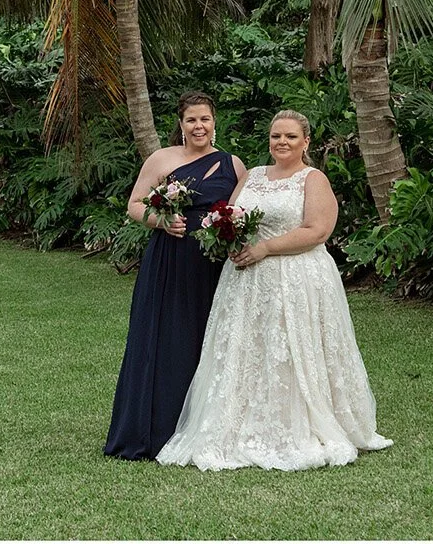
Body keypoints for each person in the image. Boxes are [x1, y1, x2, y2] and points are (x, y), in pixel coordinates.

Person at [157, 110, 392, 471]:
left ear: (306, 142)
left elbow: (317, 231)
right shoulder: (252, 175)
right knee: (250, 348)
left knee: (292, 346)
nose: (282, 142)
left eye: (291, 137)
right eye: (275, 136)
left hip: (297, 277)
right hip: (247, 280)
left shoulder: (313, 179)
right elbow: (229, 213)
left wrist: (266, 248)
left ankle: (299, 424)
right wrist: (228, 238)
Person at [103, 92, 246, 460]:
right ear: (181, 124)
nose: (199, 126)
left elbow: (242, 212)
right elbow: (134, 204)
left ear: (215, 122)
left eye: (205, 119)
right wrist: (161, 220)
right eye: (191, 120)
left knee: (209, 340)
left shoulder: (233, 165)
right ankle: (155, 429)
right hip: (169, 261)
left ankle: (206, 427)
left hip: (214, 266)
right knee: (167, 338)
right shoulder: (162, 159)